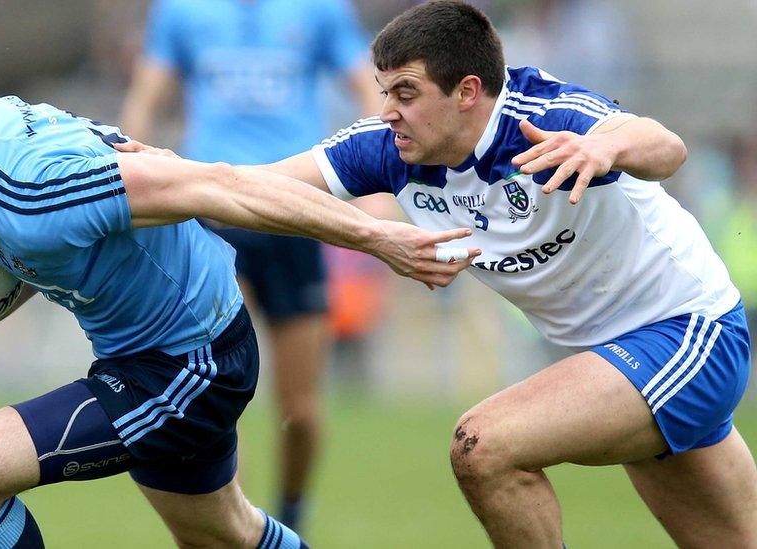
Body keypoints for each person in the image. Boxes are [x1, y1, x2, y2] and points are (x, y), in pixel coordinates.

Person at [120, 1, 755, 546]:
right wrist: (176, 172)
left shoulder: (545, 116)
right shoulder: (387, 149)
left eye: (405, 93)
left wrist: (604, 146)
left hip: (690, 333)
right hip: (615, 358)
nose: (387, 110)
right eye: (384, 90)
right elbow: (255, 187)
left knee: (485, 446)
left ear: (468, 92)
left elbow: (664, 145)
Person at [0, 64, 477, 549]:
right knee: (228, 536)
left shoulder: (29, 190)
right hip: (164, 350)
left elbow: (219, 186)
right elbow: (54, 239)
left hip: (187, 364)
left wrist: (378, 236)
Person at [119, 0, 383, 529]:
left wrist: (382, 178)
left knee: (300, 410)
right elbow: (143, 104)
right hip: (212, 214)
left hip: (292, 214)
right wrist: (123, 186)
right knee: (208, 390)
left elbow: (370, 91)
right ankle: (227, 523)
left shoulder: (320, 10)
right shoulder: (181, 12)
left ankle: (291, 516)